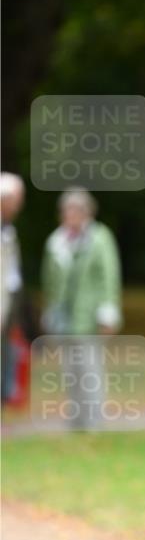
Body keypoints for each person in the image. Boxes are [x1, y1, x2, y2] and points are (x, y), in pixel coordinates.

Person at [41, 188, 122, 428]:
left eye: (75, 210)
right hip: (63, 318)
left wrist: (108, 313)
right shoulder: (56, 242)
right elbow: (49, 280)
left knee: (90, 369)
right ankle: (76, 420)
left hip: (90, 317)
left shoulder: (100, 238)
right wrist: (49, 311)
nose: (70, 215)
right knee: (70, 370)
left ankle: (93, 421)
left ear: (87, 212)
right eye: (66, 211)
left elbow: (109, 276)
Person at [1, 172, 26, 404]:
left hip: (8, 301)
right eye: (16, 200)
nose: (19, 206)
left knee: (8, 350)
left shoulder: (8, 229)